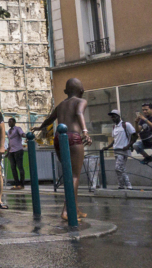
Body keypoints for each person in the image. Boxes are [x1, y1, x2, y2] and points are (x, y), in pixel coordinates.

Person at [32, 78, 91, 222]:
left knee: (68, 174)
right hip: (74, 137)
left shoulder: (61, 105)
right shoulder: (81, 101)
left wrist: (39, 128)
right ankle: (67, 210)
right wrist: (85, 131)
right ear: (82, 91)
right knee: (74, 176)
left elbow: (49, 119)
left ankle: (74, 208)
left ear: (65, 91)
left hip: (59, 138)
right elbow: (79, 113)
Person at [102, 109, 137, 190]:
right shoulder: (114, 127)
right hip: (116, 150)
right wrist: (108, 147)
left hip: (123, 150)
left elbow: (135, 136)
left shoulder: (126, 125)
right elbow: (115, 140)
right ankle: (122, 185)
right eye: (112, 117)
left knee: (118, 168)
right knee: (121, 168)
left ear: (118, 116)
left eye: (114, 116)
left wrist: (128, 145)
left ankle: (127, 184)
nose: (113, 118)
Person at [6, 118, 26, 190]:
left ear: (14, 122)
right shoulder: (8, 131)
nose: (9, 123)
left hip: (18, 150)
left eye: (10, 122)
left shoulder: (18, 128)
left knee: (20, 167)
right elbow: (10, 142)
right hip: (11, 151)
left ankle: (22, 184)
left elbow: (22, 133)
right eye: (8, 122)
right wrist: (8, 152)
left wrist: (26, 136)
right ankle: (17, 184)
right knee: (13, 168)